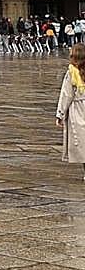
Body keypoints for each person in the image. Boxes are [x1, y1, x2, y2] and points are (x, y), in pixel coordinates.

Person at [56, 43, 85, 181]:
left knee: (81, 141)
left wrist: (60, 113)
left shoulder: (72, 72)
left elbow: (66, 94)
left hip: (78, 109)